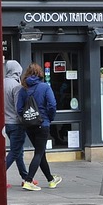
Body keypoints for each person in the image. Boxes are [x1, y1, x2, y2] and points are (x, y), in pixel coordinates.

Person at [16, 63, 62, 191]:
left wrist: (27, 118)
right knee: (39, 153)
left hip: (29, 125)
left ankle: (51, 180)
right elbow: (52, 105)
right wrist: (49, 118)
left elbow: (19, 109)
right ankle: (28, 180)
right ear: (40, 73)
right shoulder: (44, 87)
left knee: (41, 153)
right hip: (43, 124)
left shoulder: (23, 89)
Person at [3, 60, 33, 187]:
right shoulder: (16, 86)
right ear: (18, 71)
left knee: (18, 151)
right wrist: (24, 121)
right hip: (16, 123)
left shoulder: (1, 83)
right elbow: (18, 107)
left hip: (6, 123)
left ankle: (25, 177)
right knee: (15, 151)